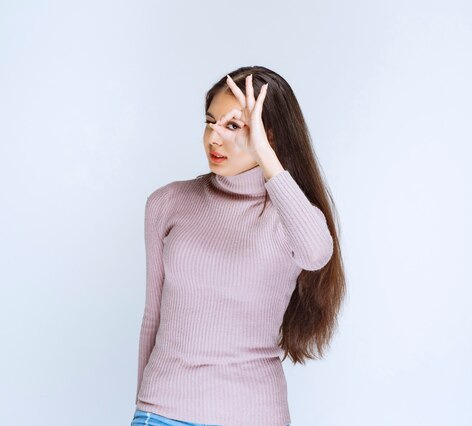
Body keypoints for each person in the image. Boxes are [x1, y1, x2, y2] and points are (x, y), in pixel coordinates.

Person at [131, 65, 346, 426]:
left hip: (253, 415)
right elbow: (153, 316)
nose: (214, 138)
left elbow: (316, 254)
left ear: (270, 137)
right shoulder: (167, 203)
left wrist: (266, 158)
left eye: (233, 126)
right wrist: (142, 408)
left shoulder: (288, 214)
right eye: (210, 121)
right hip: (161, 412)